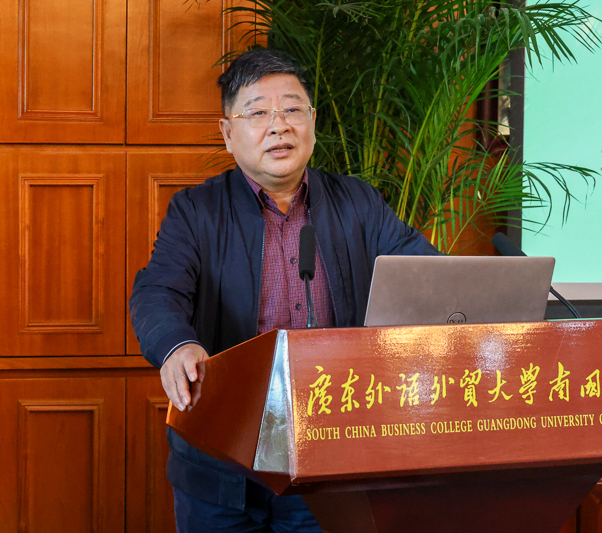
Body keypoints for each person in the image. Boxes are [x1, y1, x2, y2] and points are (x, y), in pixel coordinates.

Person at [129, 48, 438, 532]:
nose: (279, 126)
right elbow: (157, 291)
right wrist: (177, 345)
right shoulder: (196, 211)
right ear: (228, 133)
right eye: (257, 113)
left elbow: (427, 274)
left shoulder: (358, 203)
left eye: (292, 109)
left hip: (329, 452)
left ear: (312, 121)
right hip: (221, 457)